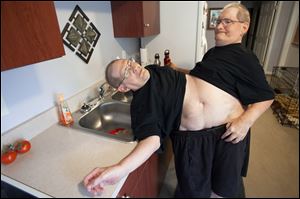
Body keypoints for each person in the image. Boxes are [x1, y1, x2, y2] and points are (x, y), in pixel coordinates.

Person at [83, 3, 274, 198]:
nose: (133, 67)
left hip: (226, 133)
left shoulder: (156, 70)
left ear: (244, 27)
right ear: (122, 87)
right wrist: (120, 168)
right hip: (192, 140)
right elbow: (151, 140)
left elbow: (197, 80)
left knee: (224, 191)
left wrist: (246, 120)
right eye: (126, 70)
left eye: (130, 62)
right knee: (195, 193)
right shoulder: (142, 104)